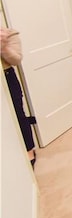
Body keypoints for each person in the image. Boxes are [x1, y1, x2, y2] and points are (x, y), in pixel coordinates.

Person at [1, 27, 37, 167]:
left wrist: (3, 47)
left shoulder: (9, 33)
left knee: (18, 114)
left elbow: (16, 59)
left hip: (7, 78)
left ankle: (29, 149)